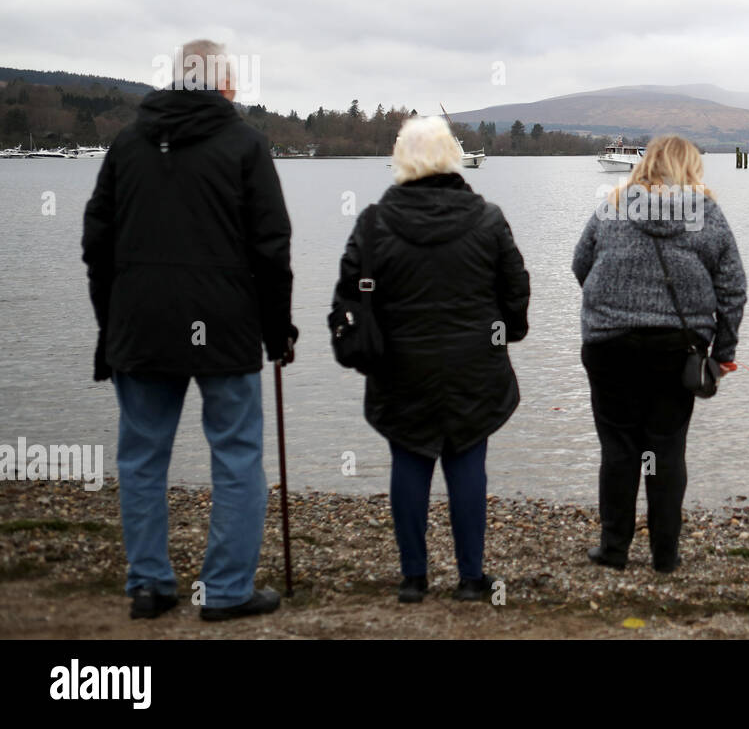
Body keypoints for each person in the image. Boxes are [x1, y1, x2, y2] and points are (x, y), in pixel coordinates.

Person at [82, 39, 296, 621]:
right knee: (236, 453)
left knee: (142, 457)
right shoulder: (245, 144)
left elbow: (95, 241)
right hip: (225, 324)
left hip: (140, 322)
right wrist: (279, 331)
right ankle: (226, 591)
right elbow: (272, 246)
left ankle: (149, 587)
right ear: (225, 86)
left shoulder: (128, 142)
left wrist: (110, 325)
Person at [334, 116, 529, 603]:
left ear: (403, 158)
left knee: (409, 458)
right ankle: (469, 578)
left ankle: (413, 579)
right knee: (467, 460)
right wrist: (511, 333)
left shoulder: (374, 222)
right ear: (451, 157)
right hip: (473, 366)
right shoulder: (487, 217)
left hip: (400, 366)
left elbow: (349, 297)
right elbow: (516, 290)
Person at [572, 135, 747, 573]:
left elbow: (581, 263)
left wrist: (613, 306)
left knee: (618, 450)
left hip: (608, 344)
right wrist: (723, 352)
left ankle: (614, 550)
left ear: (645, 165)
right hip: (676, 350)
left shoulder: (613, 206)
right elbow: (732, 289)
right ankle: (665, 555)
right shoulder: (706, 214)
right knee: (666, 450)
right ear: (690, 167)